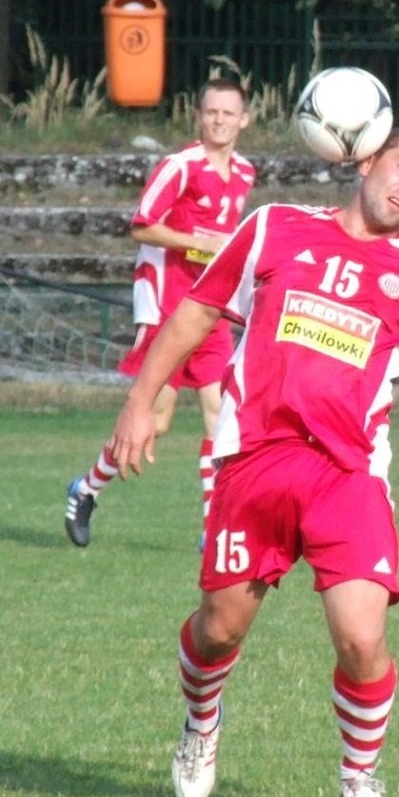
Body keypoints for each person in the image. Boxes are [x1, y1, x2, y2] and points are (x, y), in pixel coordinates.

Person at [106, 126, 399, 797]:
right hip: (253, 460)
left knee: (362, 636)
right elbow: (197, 312)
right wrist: (140, 401)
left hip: (347, 476)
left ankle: (360, 775)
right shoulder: (273, 228)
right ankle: (201, 724)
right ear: (369, 160)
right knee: (220, 629)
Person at [64, 77, 255, 548]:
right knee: (157, 420)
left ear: (243, 120)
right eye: (212, 112)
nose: (219, 120)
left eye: (228, 113)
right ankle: (86, 488)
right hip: (170, 308)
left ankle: (212, 529)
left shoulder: (245, 172)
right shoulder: (180, 166)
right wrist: (197, 242)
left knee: (219, 413)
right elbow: (143, 226)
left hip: (211, 310)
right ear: (199, 115)